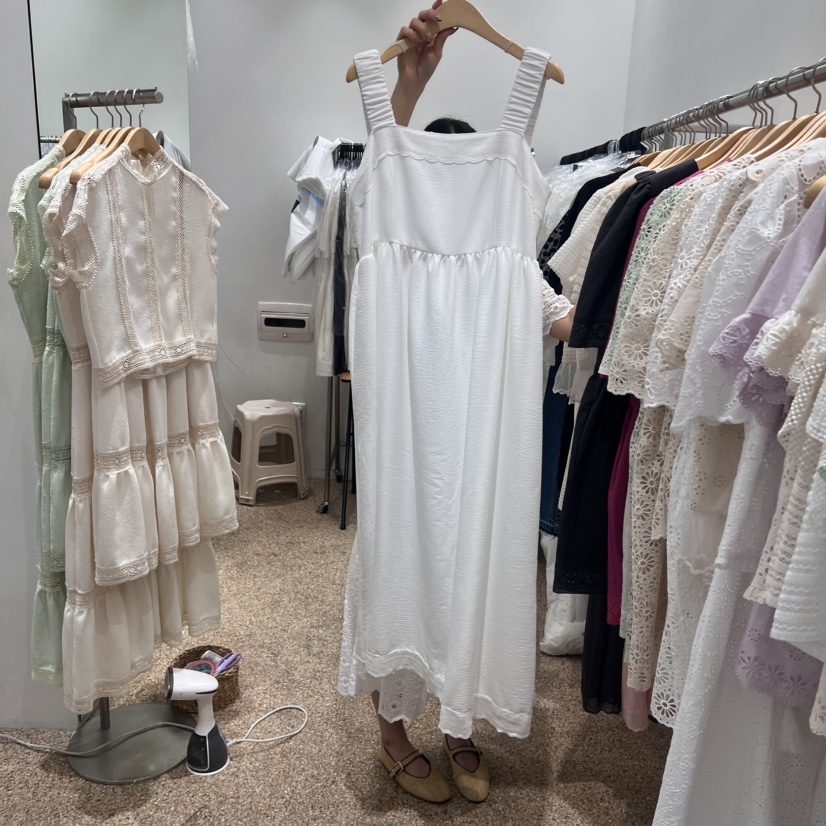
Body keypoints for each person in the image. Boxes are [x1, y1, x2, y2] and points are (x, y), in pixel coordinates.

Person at [356, 1, 575, 804]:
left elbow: (562, 315)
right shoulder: (382, 183)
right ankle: (392, 736)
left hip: (485, 427)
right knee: (400, 555)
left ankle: (458, 727)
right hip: (406, 417)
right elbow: (385, 155)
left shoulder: (513, 240)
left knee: (477, 561)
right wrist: (407, 87)